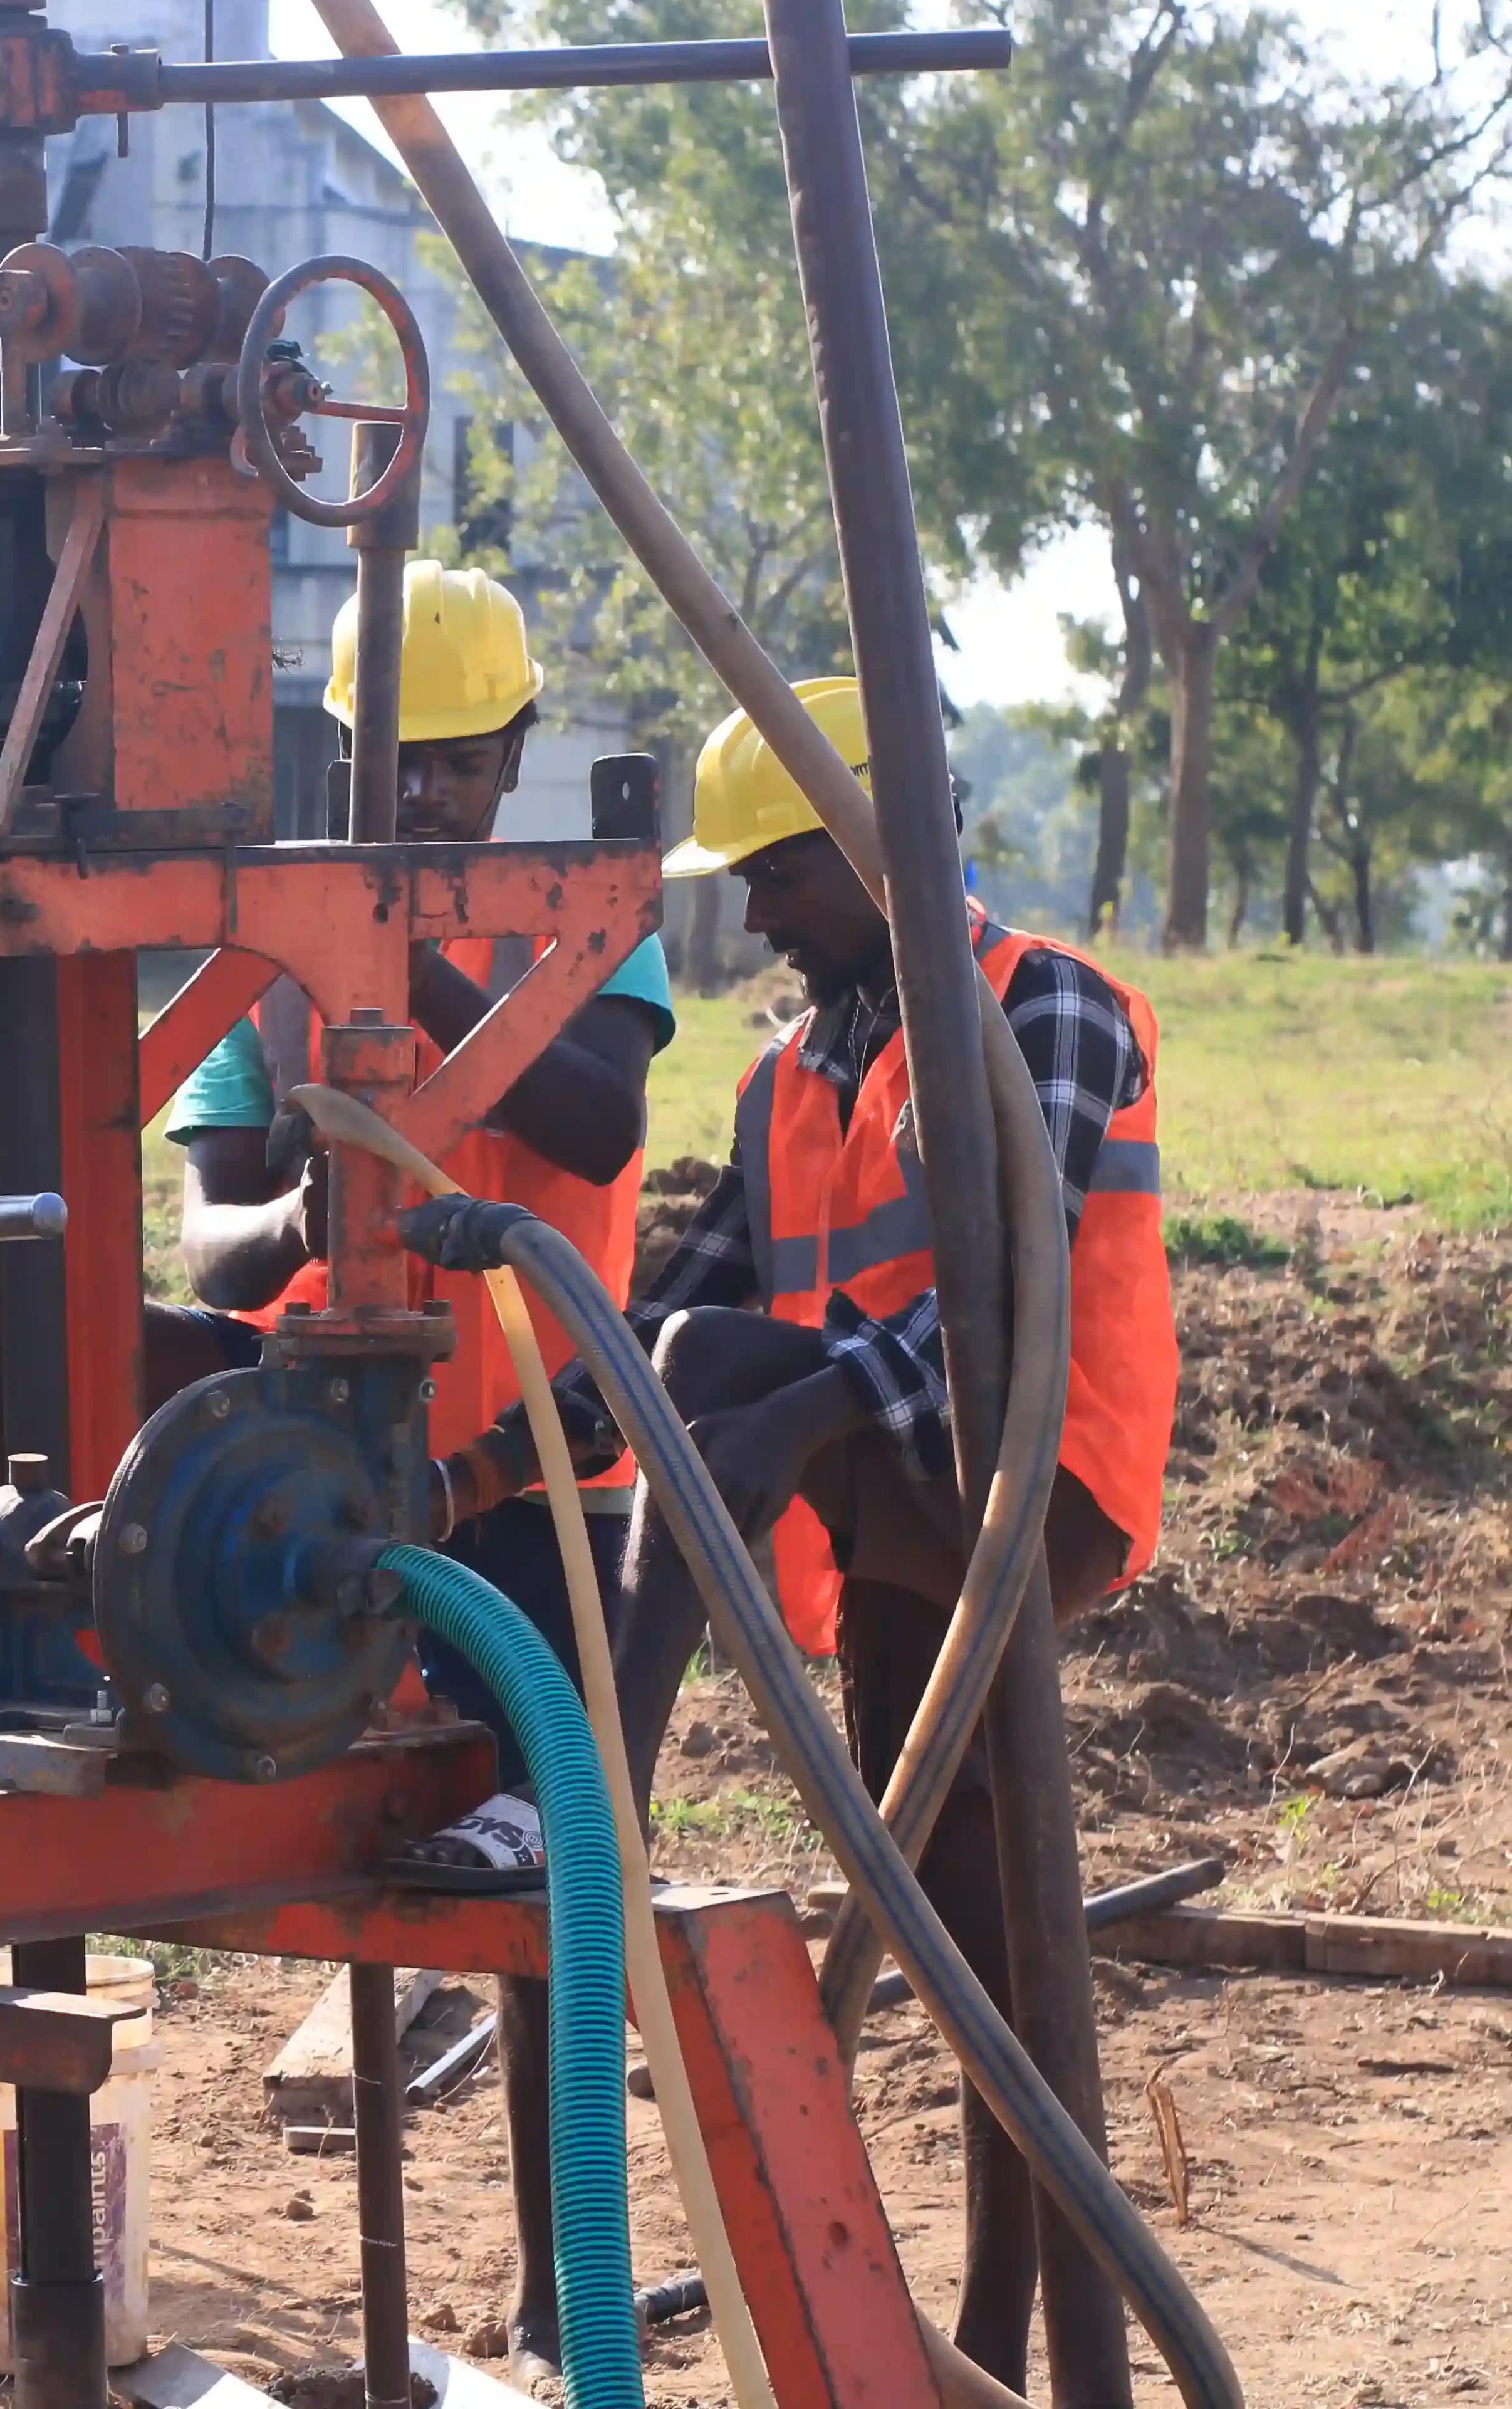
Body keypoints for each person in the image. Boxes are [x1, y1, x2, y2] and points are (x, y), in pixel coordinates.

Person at [589, 674, 1173, 2393]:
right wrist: (495, 1443)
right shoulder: (796, 1073)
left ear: (874, 842)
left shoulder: (1040, 1012)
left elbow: (1013, 1297)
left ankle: (598, 1798)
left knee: (992, 1936)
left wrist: (796, 1416)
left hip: (1029, 1487)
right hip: (883, 1517)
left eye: (778, 872)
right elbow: (669, 1315)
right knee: (965, 1945)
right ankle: (995, 2332)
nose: (755, 909)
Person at [152, 559, 671, 2381]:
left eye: (462, 764)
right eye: (398, 764)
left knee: (550, 1908)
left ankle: (557, 2285)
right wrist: (312, 1187)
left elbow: (596, 1114)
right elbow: (212, 1231)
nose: (432, 798)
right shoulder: (264, 954)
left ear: (519, 750)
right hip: (319, 1475)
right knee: (127, 1349)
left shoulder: (591, 924)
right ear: (342, 750)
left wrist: (399, 963)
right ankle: (95, 1646)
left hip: (533, 1475)